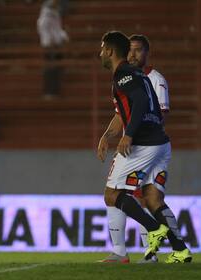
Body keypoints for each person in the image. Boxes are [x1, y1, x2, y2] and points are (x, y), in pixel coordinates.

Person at [96, 30, 188, 264]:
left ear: (109, 50)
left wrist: (129, 135)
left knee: (112, 194)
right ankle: (180, 250)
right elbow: (132, 108)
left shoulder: (124, 75)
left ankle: (149, 232)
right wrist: (107, 135)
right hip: (160, 144)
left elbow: (139, 102)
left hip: (143, 144)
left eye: (101, 49)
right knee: (151, 198)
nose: (100, 54)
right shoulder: (137, 74)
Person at [37, 0, 69, 99]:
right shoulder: (46, 14)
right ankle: (50, 91)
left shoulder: (56, 13)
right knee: (50, 68)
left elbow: (57, 29)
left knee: (57, 68)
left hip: (56, 45)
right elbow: (43, 28)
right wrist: (48, 43)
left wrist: (63, 37)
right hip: (50, 46)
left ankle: (56, 90)